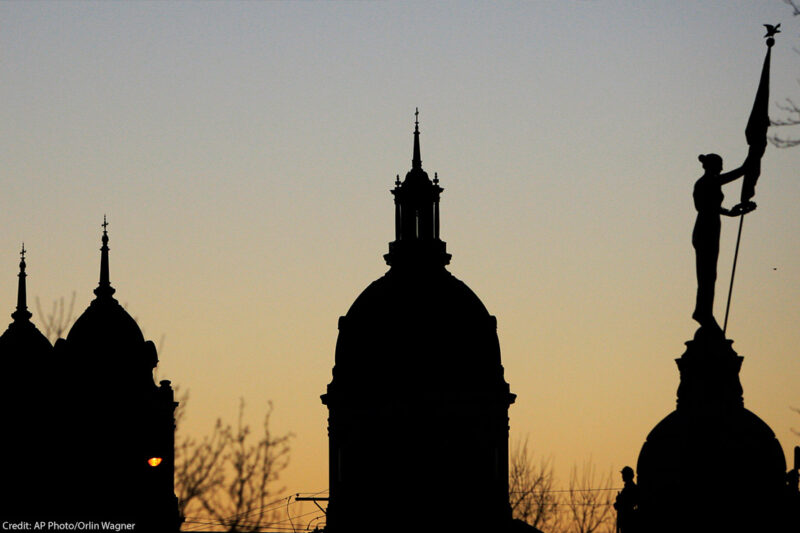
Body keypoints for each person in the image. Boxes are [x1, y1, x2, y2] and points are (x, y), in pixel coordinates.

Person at [691, 153, 755, 330]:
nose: (721, 169)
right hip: (705, 228)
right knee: (706, 274)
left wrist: (731, 213)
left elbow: (714, 207)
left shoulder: (711, 182)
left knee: (710, 274)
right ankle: (702, 312)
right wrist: (752, 156)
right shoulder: (706, 182)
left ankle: (704, 310)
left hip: (712, 226)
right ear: (711, 167)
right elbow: (739, 172)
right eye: (719, 165)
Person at [614, 466, 639, 533]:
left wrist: (618, 501)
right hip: (626, 519)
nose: (622, 476)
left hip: (628, 519)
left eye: (623, 474)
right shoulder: (630, 487)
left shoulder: (630, 488)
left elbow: (625, 503)